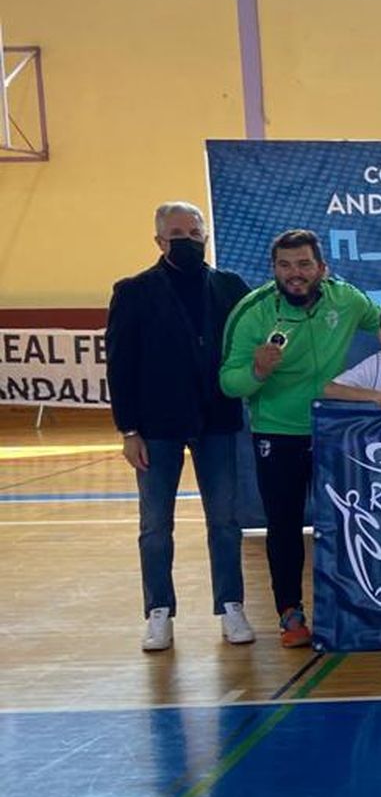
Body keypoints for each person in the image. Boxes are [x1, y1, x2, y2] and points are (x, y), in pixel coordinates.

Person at [220, 229, 381, 649]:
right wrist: (256, 371)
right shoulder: (253, 312)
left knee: (349, 521)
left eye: (304, 264)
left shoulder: (346, 299)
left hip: (334, 429)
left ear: (321, 268)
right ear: (274, 269)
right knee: (286, 524)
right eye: (285, 266)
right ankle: (290, 612)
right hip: (277, 432)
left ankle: (356, 608)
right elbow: (229, 382)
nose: (295, 274)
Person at [107, 201, 254, 653]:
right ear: (158, 240)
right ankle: (159, 611)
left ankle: (230, 604)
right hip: (157, 426)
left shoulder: (231, 287)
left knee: (225, 521)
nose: (187, 240)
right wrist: (128, 430)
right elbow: (120, 362)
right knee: (155, 524)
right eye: (177, 233)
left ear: (206, 236)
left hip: (217, 420)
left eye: (194, 232)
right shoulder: (133, 291)